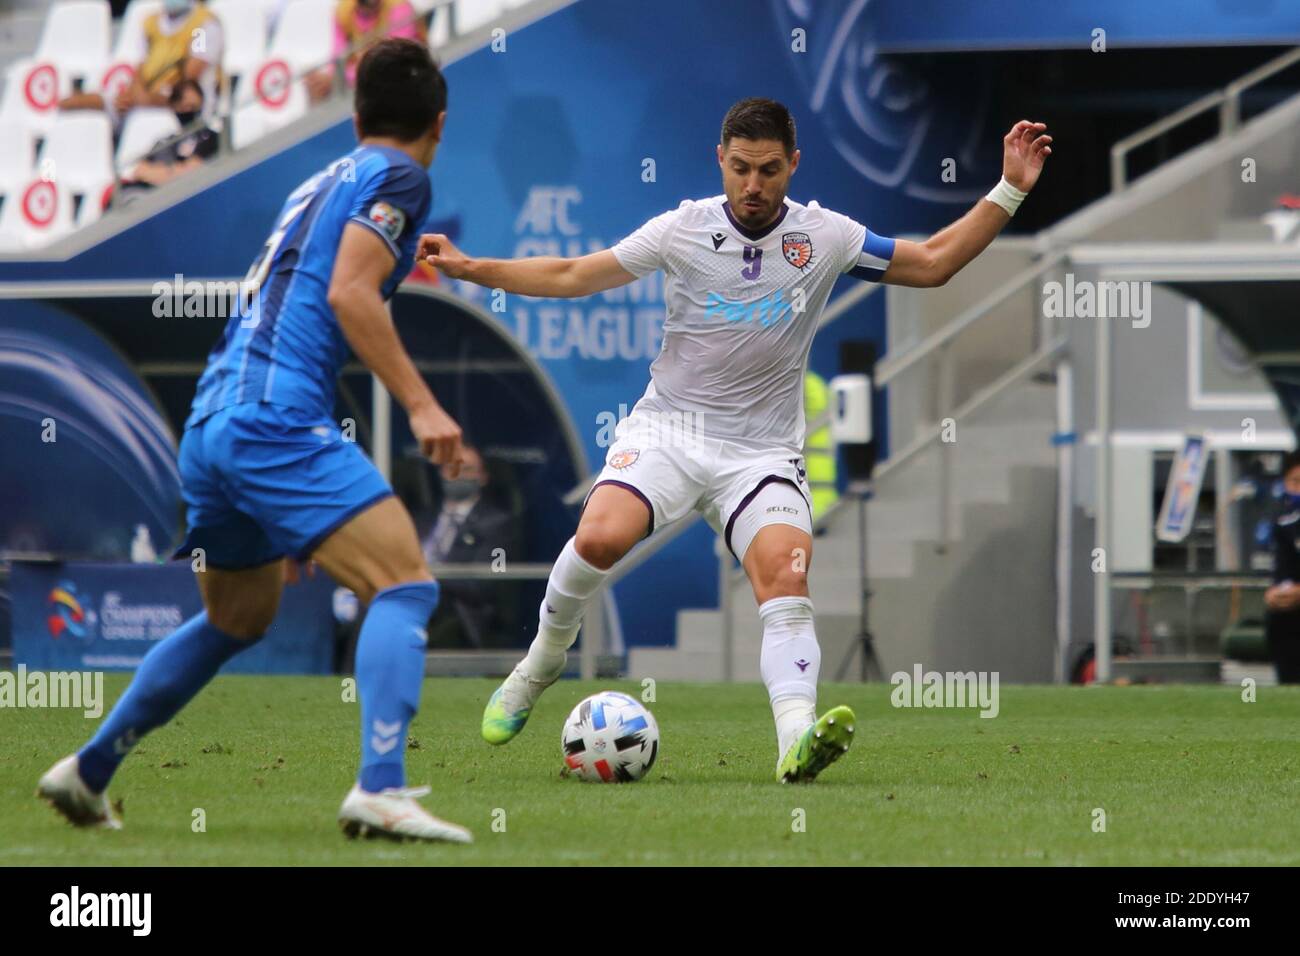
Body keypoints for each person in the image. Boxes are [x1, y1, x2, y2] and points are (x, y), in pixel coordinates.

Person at [422, 98, 1051, 782]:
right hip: (670, 431)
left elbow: (931, 263)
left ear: (794, 165)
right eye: (742, 169)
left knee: (787, 578)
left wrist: (1011, 187)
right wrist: (474, 267)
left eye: (771, 170)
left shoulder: (826, 237)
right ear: (720, 161)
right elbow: (577, 275)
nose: (754, 186)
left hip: (762, 453)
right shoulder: (682, 230)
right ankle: (541, 662)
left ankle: (794, 742)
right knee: (599, 538)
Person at [37, 39, 471, 843]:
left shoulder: (318, 182)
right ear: (437, 124)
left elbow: (308, 292)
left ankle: (88, 770)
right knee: (405, 582)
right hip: (272, 421)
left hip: (212, 422)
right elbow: (347, 293)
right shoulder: (405, 176)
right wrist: (422, 406)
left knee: (239, 615)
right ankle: (381, 787)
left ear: (354, 115)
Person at [419, 445, 521, 648]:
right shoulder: (420, 519)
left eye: (465, 469)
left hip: (458, 614)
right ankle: (351, 676)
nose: (457, 476)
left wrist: (427, 578)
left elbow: (484, 584)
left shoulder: (497, 523)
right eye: (451, 468)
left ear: (482, 476)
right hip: (412, 600)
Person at [60, 0, 224, 124]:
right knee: (84, 102)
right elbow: (141, 66)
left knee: (186, 97)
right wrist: (137, 94)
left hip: (181, 93)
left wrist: (148, 98)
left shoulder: (202, 24)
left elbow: (192, 74)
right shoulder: (151, 22)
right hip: (149, 91)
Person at [306, 0, 426, 101]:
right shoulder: (344, 10)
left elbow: (392, 62)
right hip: (369, 88)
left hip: (410, 83)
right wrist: (326, 80)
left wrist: (336, 79)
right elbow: (338, 57)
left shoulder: (398, 6)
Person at [117, 80, 218, 197]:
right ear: (173, 106)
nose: (188, 112)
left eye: (193, 107)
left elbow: (190, 173)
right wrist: (169, 172)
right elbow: (140, 170)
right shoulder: (168, 139)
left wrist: (165, 172)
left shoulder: (208, 136)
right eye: (183, 107)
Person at [1264, 451, 1300, 683]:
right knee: (1280, 617)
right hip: (1292, 611)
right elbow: (1282, 569)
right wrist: (1274, 594)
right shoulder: (1283, 521)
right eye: (1295, 482)